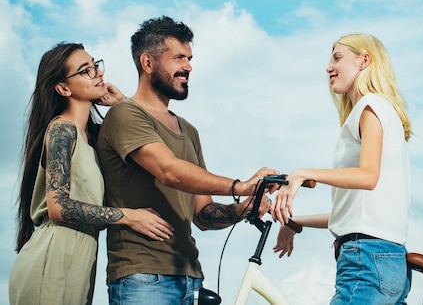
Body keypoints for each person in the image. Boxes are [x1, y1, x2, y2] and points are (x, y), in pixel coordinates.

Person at [97, 16, 277, 305]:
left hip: (191, 280)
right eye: (178, 58)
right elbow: (168, 170)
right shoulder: (125, 115)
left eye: (190, 58)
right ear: (147, 63)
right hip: (142, 278)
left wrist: (242, 208)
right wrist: (241, 186)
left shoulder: (188, 131)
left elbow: (203, 213)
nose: (188, 67)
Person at [10, 42, 174, 305]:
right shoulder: (62, 130)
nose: (98, 73)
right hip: (52, 257)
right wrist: (129, 217)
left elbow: (154, 145)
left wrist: (121, 103)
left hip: (81, 262)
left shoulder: (94, 138)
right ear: (63, 88)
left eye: (95, 65)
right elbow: (58, 206)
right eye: (85, 71)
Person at [270, 33, 413, 304]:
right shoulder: (383, 110)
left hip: (366, 259)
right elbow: (354, 213)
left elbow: (368, 176)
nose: (329, 67)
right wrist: (295, 222)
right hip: (389, 259)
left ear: (364, 61)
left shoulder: (370, 107)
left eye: (337, 58)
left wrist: (304, 173)